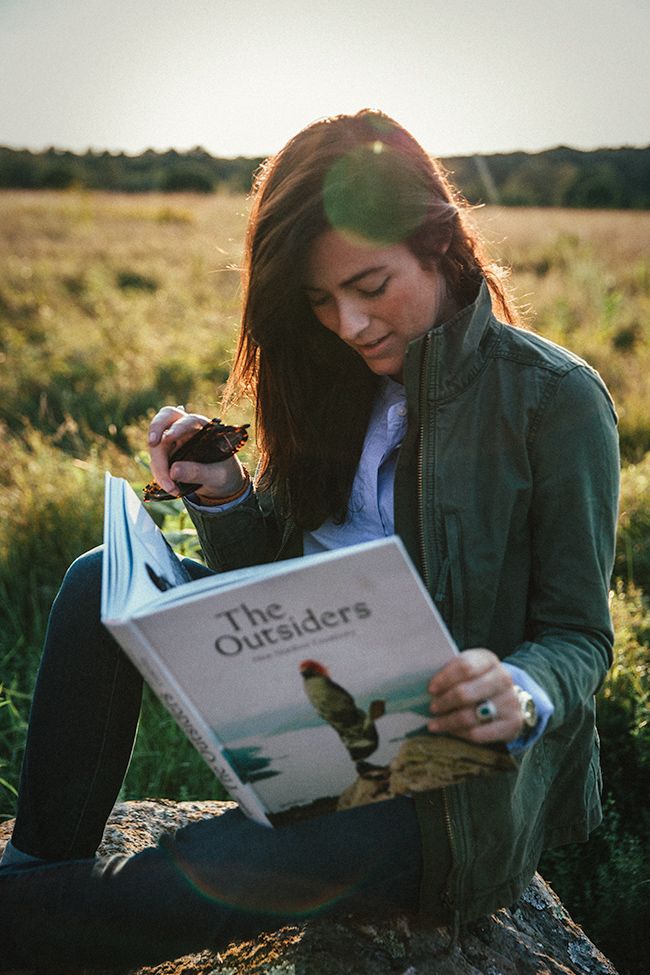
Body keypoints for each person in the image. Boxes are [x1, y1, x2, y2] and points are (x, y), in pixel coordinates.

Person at [0, 110, 619, 971]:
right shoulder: (328, 377)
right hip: (307, 724)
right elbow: (279, 585)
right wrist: (223, 497)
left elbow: (581, 635)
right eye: (321, 299)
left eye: (370, 284)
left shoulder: (554, 401)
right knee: (96, 577)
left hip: (438, 795)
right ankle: (38, 866)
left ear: (439, 242)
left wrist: (519, 688)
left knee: (172, 885)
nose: (350, 323)